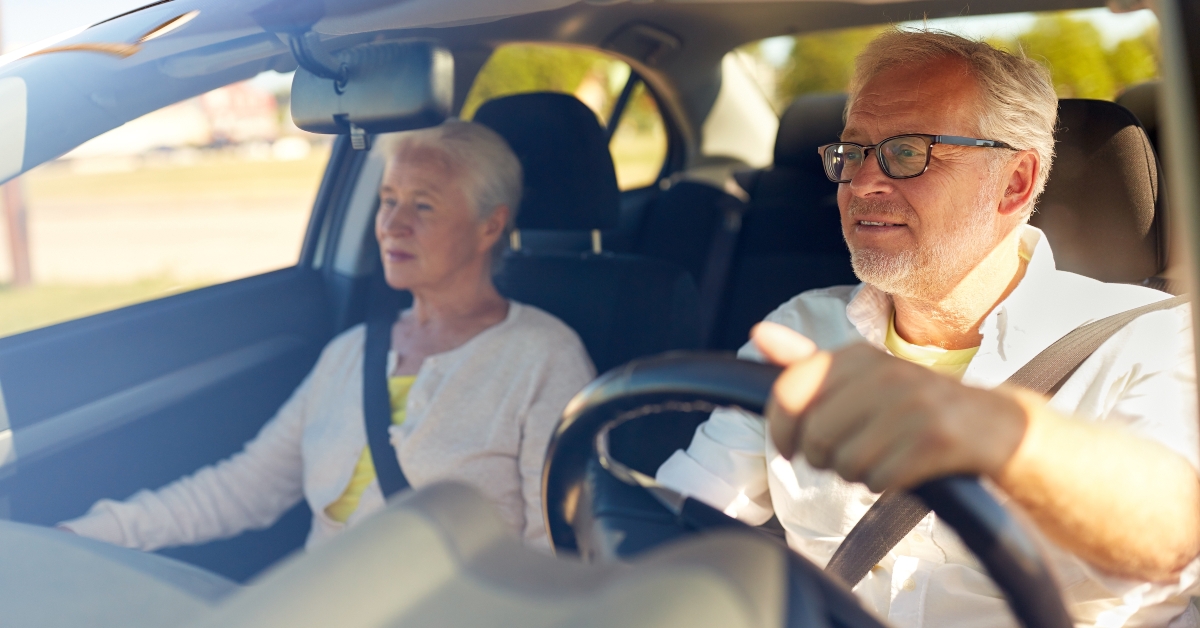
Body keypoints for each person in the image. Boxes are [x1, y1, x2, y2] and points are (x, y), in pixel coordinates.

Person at [656, 29, 1200, 628]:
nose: (863, 184)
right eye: (854, 152)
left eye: (908, 151)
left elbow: (1172, 532)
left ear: (1015, 183)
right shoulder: (803, 328)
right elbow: (672, 527)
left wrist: (994, 431)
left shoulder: (1153, 338)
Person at [61, 120, 595, 551]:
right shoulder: (352, 353)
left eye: (423, 205)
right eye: (389, 200)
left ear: (489, 226)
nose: (392, 224)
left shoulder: (544, 357)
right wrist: (87, 535)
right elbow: (243, 489)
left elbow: (550, 550)